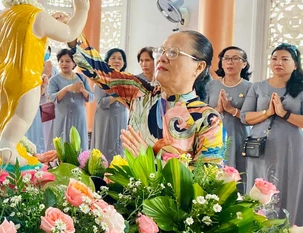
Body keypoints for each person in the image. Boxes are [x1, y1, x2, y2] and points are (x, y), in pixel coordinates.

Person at [0, 0, 89, 165]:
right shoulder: (37, 16)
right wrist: (81, 11)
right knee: (21, 117)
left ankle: (3, 146)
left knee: (5, 116)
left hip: (2, 77)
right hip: (25, 78)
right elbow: (70, 32)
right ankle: (7, 147)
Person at [72, 30, 224, 161]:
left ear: (199, 66)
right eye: (161, 51)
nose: (162, 58)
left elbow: (206, 178)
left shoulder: (208, 120)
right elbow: (100, 71)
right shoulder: (140, 93)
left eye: (173, 53)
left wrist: (148, 158)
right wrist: (72, 34)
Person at [241, 44, 303, 233]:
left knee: (289, 189)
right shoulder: (258, 87)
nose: (278, 62)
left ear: (295, 65)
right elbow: (245, 117)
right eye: (274, 58)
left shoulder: (302, 90)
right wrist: (267, 112)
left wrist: (284, 113)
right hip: (260, 147)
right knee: (259, 190)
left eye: (285, 59)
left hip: (291, 148)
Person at [207, 46, 252, 186]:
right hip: (214, 137)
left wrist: (232, 110)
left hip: (239, 137)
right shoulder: (211, 86)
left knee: (238, 177)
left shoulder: (250, 87)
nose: (230, 62)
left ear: (244, 64)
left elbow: (252, 117)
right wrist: (218, 110)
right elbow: (203, 113)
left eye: (235, 58)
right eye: (226, 58)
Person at [47, 49, 94, 151]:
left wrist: (82, 90)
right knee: (63, 145)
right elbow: (51, 98)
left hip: (79, 117)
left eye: (68, 61)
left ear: (74, 63)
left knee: (79, 145)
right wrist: (66, 89)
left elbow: (91, 97)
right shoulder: (54, 80)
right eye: (61, 61)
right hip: (62, 117)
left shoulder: (81, 78)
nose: (64, 64)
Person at [91, 48, 129, 159]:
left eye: (120, 58)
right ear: (107, 62)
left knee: (120, 148)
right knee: (103, 148)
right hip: (105, 119)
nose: (117, 61)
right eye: (113, 58)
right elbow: (101, 103)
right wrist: (117, 95)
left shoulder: (127, 80)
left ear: (123, 63)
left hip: (122, 117)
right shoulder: (101, 80)